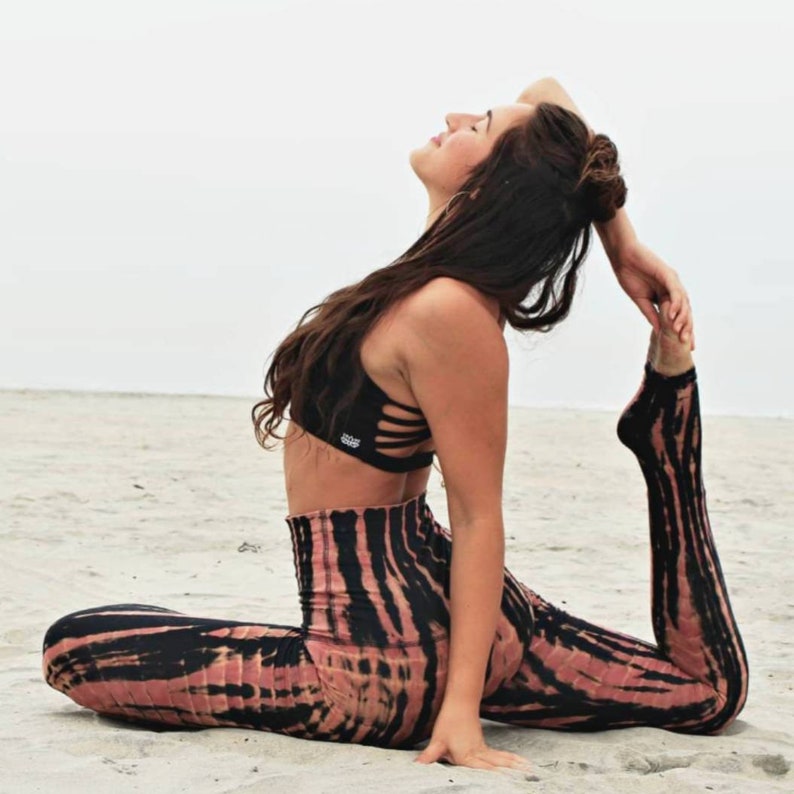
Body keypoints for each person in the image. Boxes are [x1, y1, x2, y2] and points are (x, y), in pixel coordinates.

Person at [42, 77, 748, 772]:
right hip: (471, 625)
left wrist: (461, 717)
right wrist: (621, 241)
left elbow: (477, 520)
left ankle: (667, 447)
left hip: (366, 672)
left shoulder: (450, 311)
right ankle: (666, 428)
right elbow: (553, 101)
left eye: (478, 125)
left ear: (490, 186)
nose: (453, 114)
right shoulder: (445, 283)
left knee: (70, 649)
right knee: (706, 694)